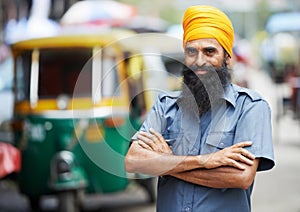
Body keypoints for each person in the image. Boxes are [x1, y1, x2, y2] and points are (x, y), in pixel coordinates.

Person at [125, 5, 275, 212]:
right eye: (191, 52)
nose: (199, 61)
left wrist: (167, 164)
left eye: (210, 51)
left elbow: (241, 177)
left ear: (227, 57)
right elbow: (133, 161)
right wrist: (204, 161)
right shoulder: (165, 105)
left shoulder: (250, 107)